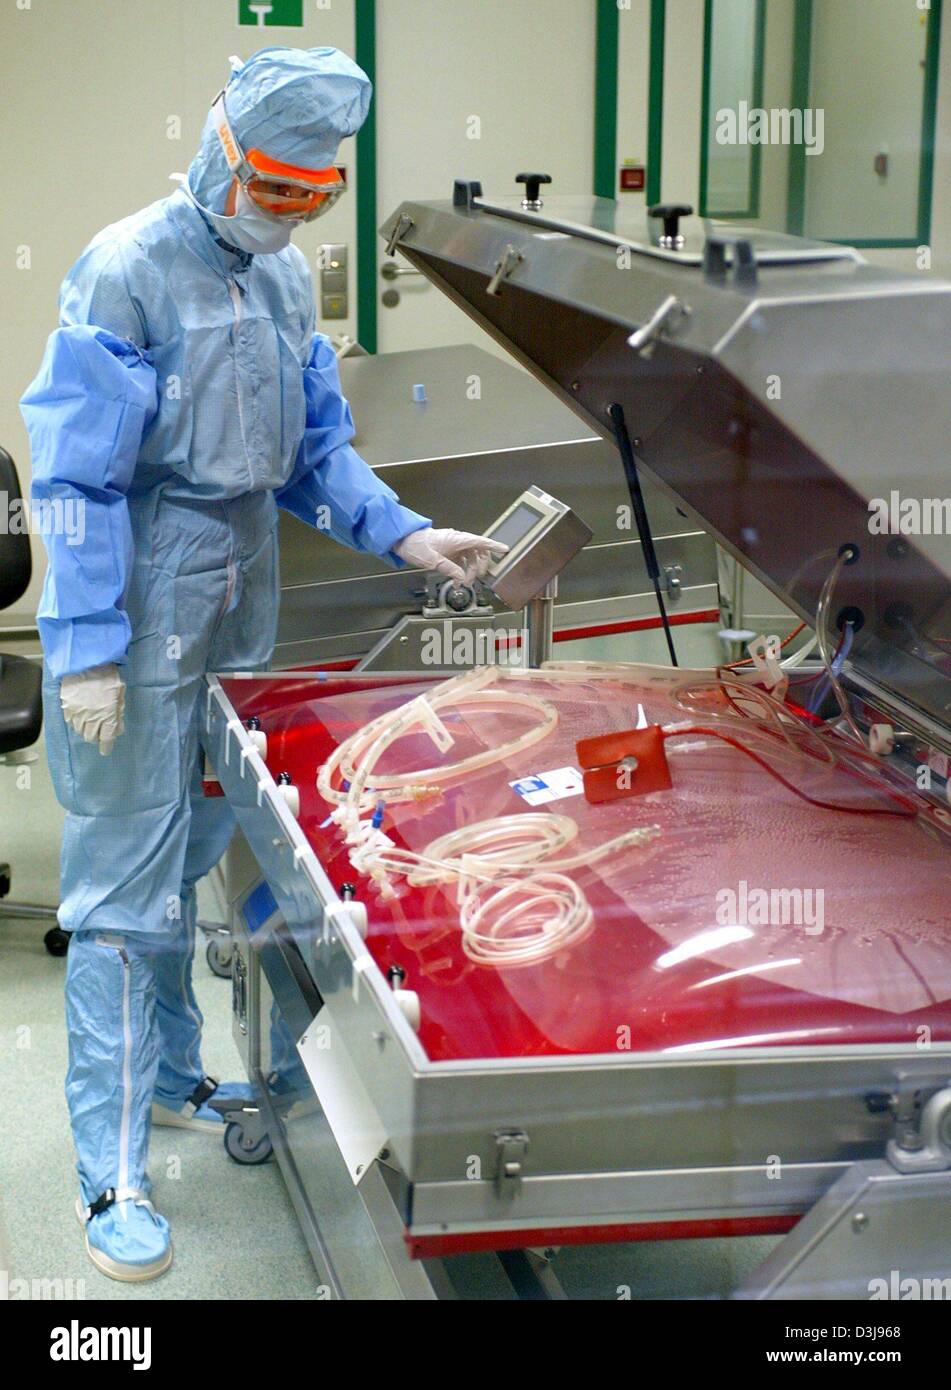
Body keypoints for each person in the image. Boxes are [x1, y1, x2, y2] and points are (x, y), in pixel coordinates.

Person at [21, 46, 503, 1283]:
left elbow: (313, 452)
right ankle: (111, 1171)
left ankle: (176, 1074)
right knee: (125, 889)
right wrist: (83, 649)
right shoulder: (128, 269)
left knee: (202, 849)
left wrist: (402, 528)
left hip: (240, 593)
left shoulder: (285, 289)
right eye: (275, 190)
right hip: (133, 600)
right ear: (222, 155)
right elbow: (73, 483)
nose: (289, 217)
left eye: (314, 198)